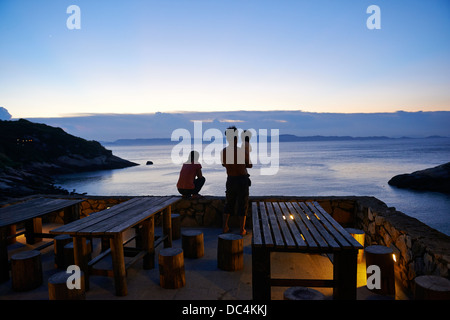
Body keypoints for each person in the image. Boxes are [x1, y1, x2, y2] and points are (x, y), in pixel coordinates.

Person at [221, 126, 252, 236]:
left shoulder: (223, 151)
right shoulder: (241, 151)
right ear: (235, 138)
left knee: (228, 204)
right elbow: (250, 165)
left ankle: (225, 227)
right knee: (242, 205)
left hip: (230, 179)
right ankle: (241, 229)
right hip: (241, 180)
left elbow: (224, 164)